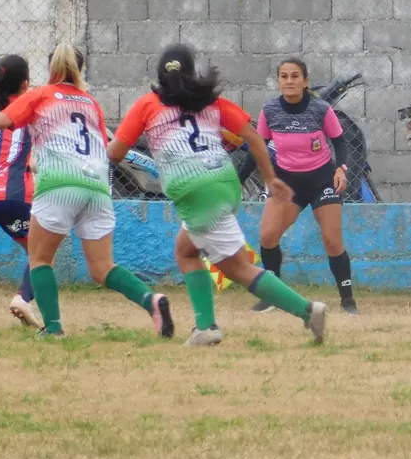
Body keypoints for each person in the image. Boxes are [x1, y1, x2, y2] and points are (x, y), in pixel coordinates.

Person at [107, 44, 330, 347]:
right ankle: (205, 326)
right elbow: (252, 135)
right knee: (186, 251)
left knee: (239, 269)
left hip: (195, 191)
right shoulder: (209, 103)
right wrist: (269, 178)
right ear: (191, 71)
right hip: (223, 183)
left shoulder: (147, 105)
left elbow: (117, 152)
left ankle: (307, 310)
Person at [0, 44, 174, 339]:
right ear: (81, 70)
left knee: (39, 258)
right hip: (97, 187)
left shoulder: (39, 95)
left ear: (51, 70)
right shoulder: (91, 103)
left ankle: (54, 329)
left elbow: (1, 121)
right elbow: (108, 149)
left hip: (58, 185)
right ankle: (151, 301)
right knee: (102, 267)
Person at [248, 57, 358, 316]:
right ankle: (274, 295)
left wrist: (342, 170)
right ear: (278, 81)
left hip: (322, 182)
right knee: (267, 236)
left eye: (295, 76)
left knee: (332, 241)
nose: (289, 81)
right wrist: (240, 179)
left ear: (305, 81)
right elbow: (258, 149)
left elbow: (341, 143)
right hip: (288, 185)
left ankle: (348, 301)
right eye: (284, 76)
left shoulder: (321, 109)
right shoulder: (270, 111)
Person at [0, 55, 41, 328]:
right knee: (41, 252)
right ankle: (22, 298)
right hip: (12, 196)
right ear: (25, 84)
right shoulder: (31, 106)